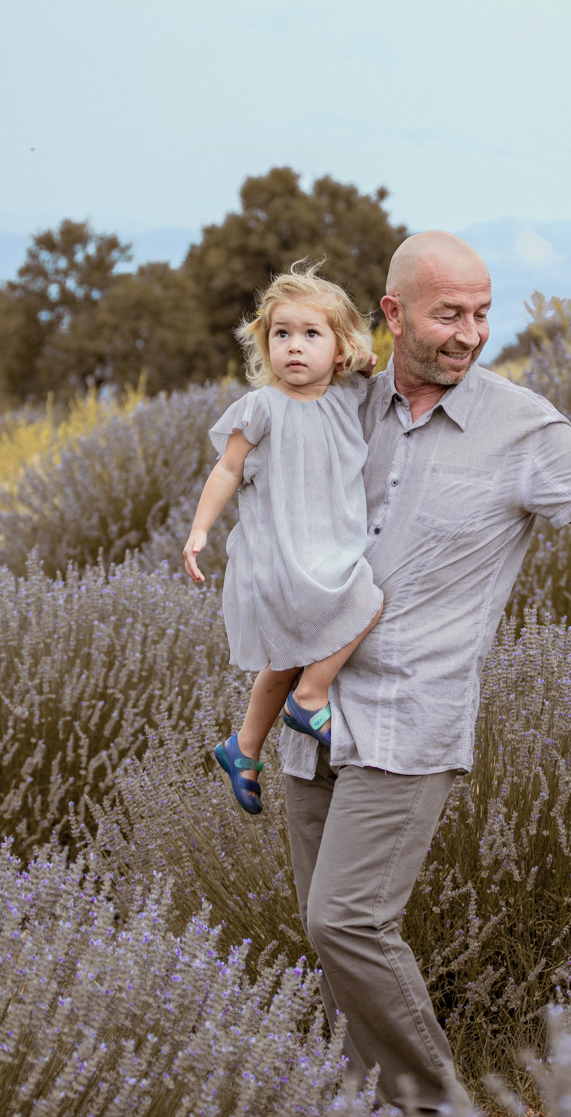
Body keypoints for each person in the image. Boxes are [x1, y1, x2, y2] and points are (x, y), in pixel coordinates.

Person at [276, 231, 571, 1114]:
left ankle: (441, 1103)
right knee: (331, 941)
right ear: (394, 313)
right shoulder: (342, 405)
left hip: (412, 716)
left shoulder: (521, 424)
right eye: (450, 314)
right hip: (309, 708)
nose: (471, 333)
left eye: (483, 313)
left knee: (348, 919)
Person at [184, 262, 385, 814]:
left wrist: (363, 360)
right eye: (281, 334)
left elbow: (371, 371)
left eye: (311, 334)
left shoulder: (347, 398)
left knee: (288, 656)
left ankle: (243, 747)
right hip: (278, 555)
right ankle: (312, 697)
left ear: (338, 348)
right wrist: (200, 530)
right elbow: (227, 470)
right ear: (264, 342)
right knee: (365, 601)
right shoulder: (262, 407)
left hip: (327, 547)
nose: (294, 347)